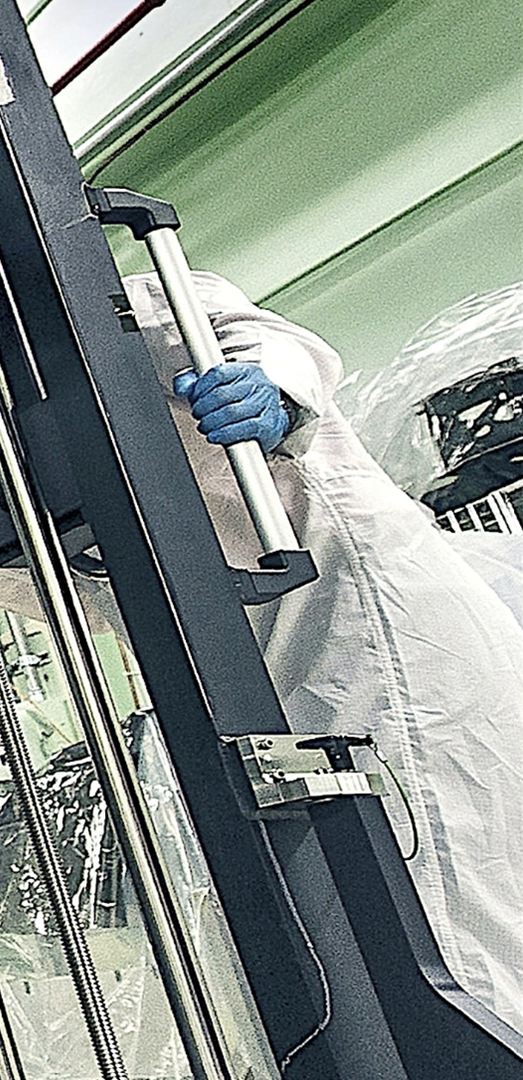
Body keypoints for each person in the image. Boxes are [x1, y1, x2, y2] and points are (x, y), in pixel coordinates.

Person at [140, 271, 523, 1025]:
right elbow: (78, 580)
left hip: (381, 641)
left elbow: (277, 345)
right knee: (382, 940)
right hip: (268, 680)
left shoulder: (120, 298)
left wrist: (273, 395)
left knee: (455, 919)